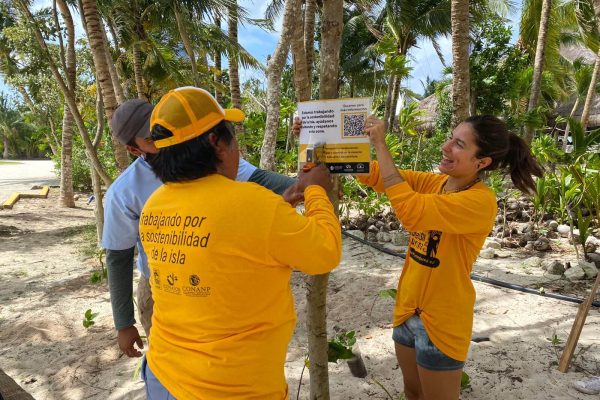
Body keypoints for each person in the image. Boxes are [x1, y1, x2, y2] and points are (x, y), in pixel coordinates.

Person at [137, 86, 341, 399]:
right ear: (216, 142)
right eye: (231, 136)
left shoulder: (154, 205)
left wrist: (279, 210)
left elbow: (221, 248)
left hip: (164, 376)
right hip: (231, 388)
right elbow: (324, 252)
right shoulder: (252, 203)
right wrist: (316, 192)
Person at [359, 115, 543, 400]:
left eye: (459, 144)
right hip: (407, 311)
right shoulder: (436, 183)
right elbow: (370, 173)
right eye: (450, 137)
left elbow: (411, 211)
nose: (446, 147)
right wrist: (318, 140)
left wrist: (381, 144)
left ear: (482, 163)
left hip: (442, 321)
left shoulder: (480, 201)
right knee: (412, 392)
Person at [102, 99, 298, 358]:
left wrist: (308, 172)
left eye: (163, 130)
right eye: (152, 139)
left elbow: (262, 181)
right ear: (134, 149)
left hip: (220, 281)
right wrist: (124, 323)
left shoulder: (207, 155)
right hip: (165, 287)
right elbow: (119, 257)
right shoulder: (125, 191)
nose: (163, 141)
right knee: (174, 362)